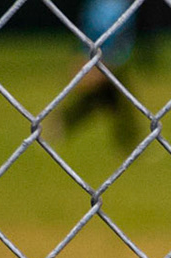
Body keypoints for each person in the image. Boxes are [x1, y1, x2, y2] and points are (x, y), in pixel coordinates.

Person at [56, 0, 142, 149]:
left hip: (111, 59)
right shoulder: (106, 6)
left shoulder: (105, 5)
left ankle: (63, 123)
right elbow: (95, 32)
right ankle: (62, 122)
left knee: (107, 101)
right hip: (107, 59)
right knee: (111, 101)